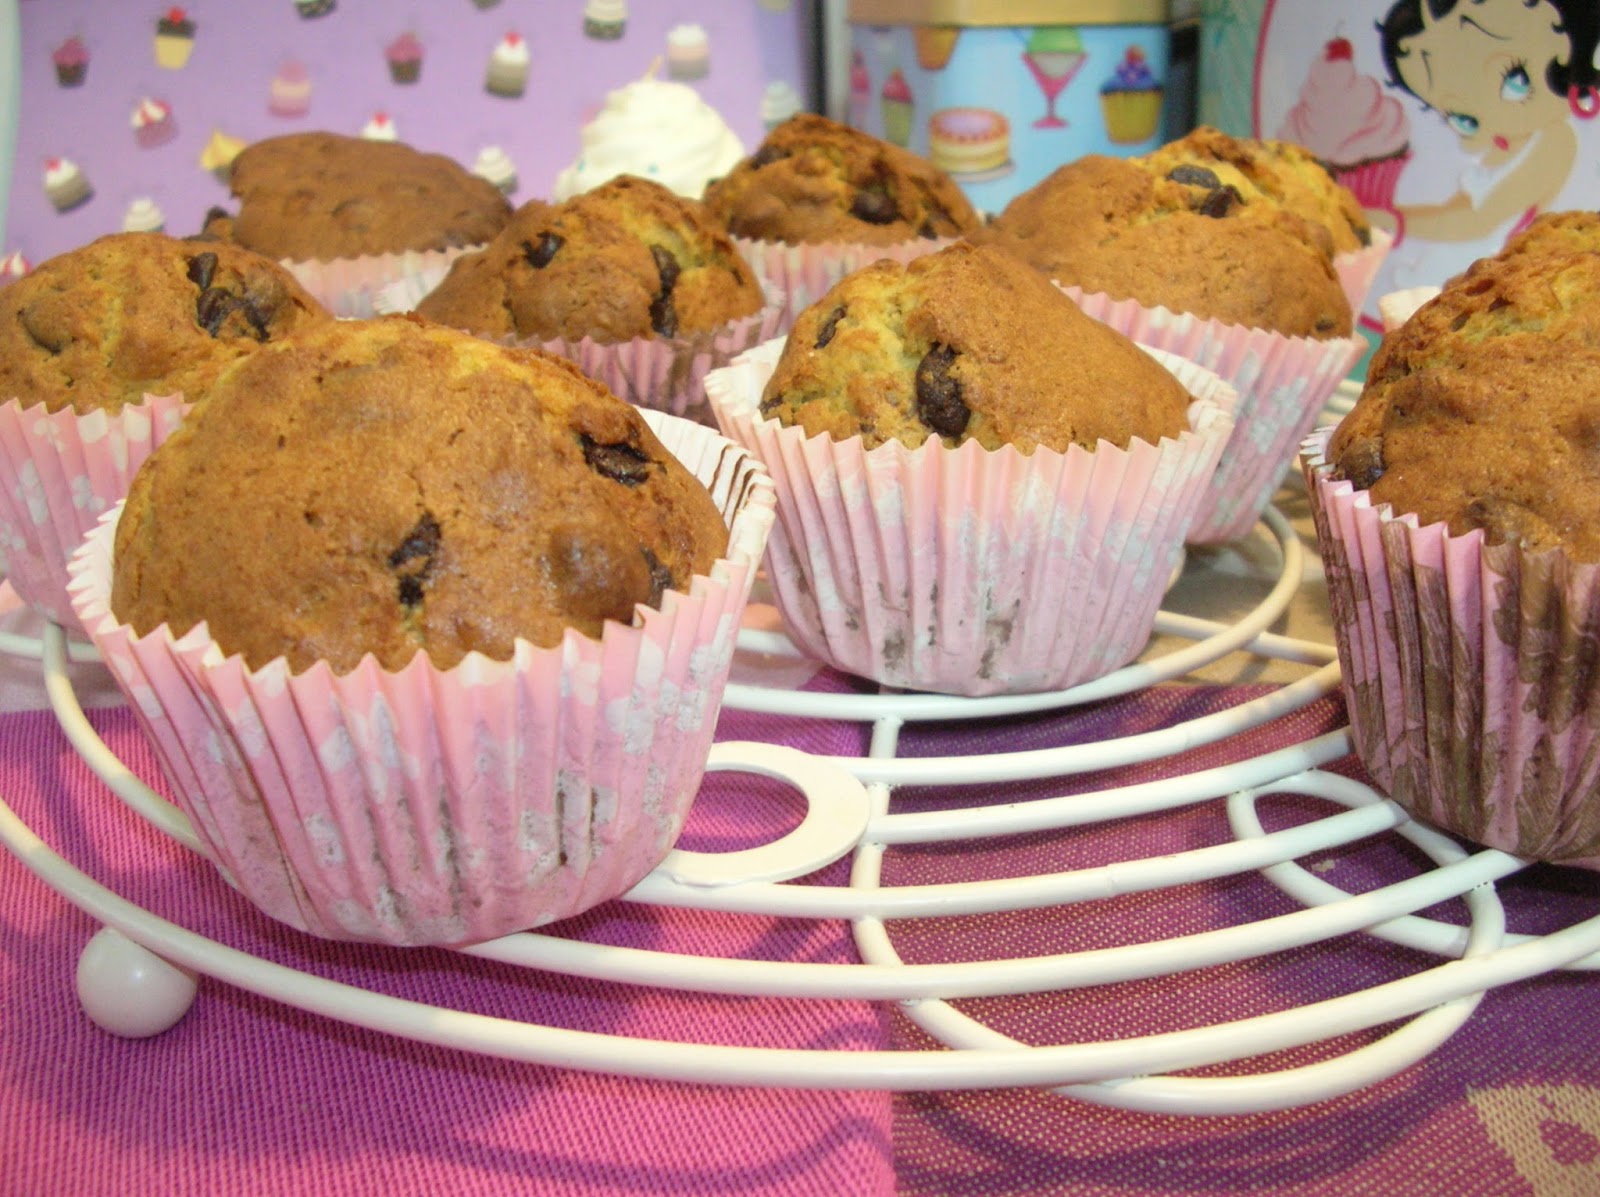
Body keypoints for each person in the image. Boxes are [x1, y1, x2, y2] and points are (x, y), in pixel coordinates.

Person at [1376, 0, 1599, 243]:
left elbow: (1476, 221)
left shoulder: (1556, 140)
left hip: (1521, 272)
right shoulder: (1500, 150)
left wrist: (1390, 219)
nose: (1491, 114)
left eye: (1516, 80)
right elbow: (1456, 210)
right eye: (1464, 119)